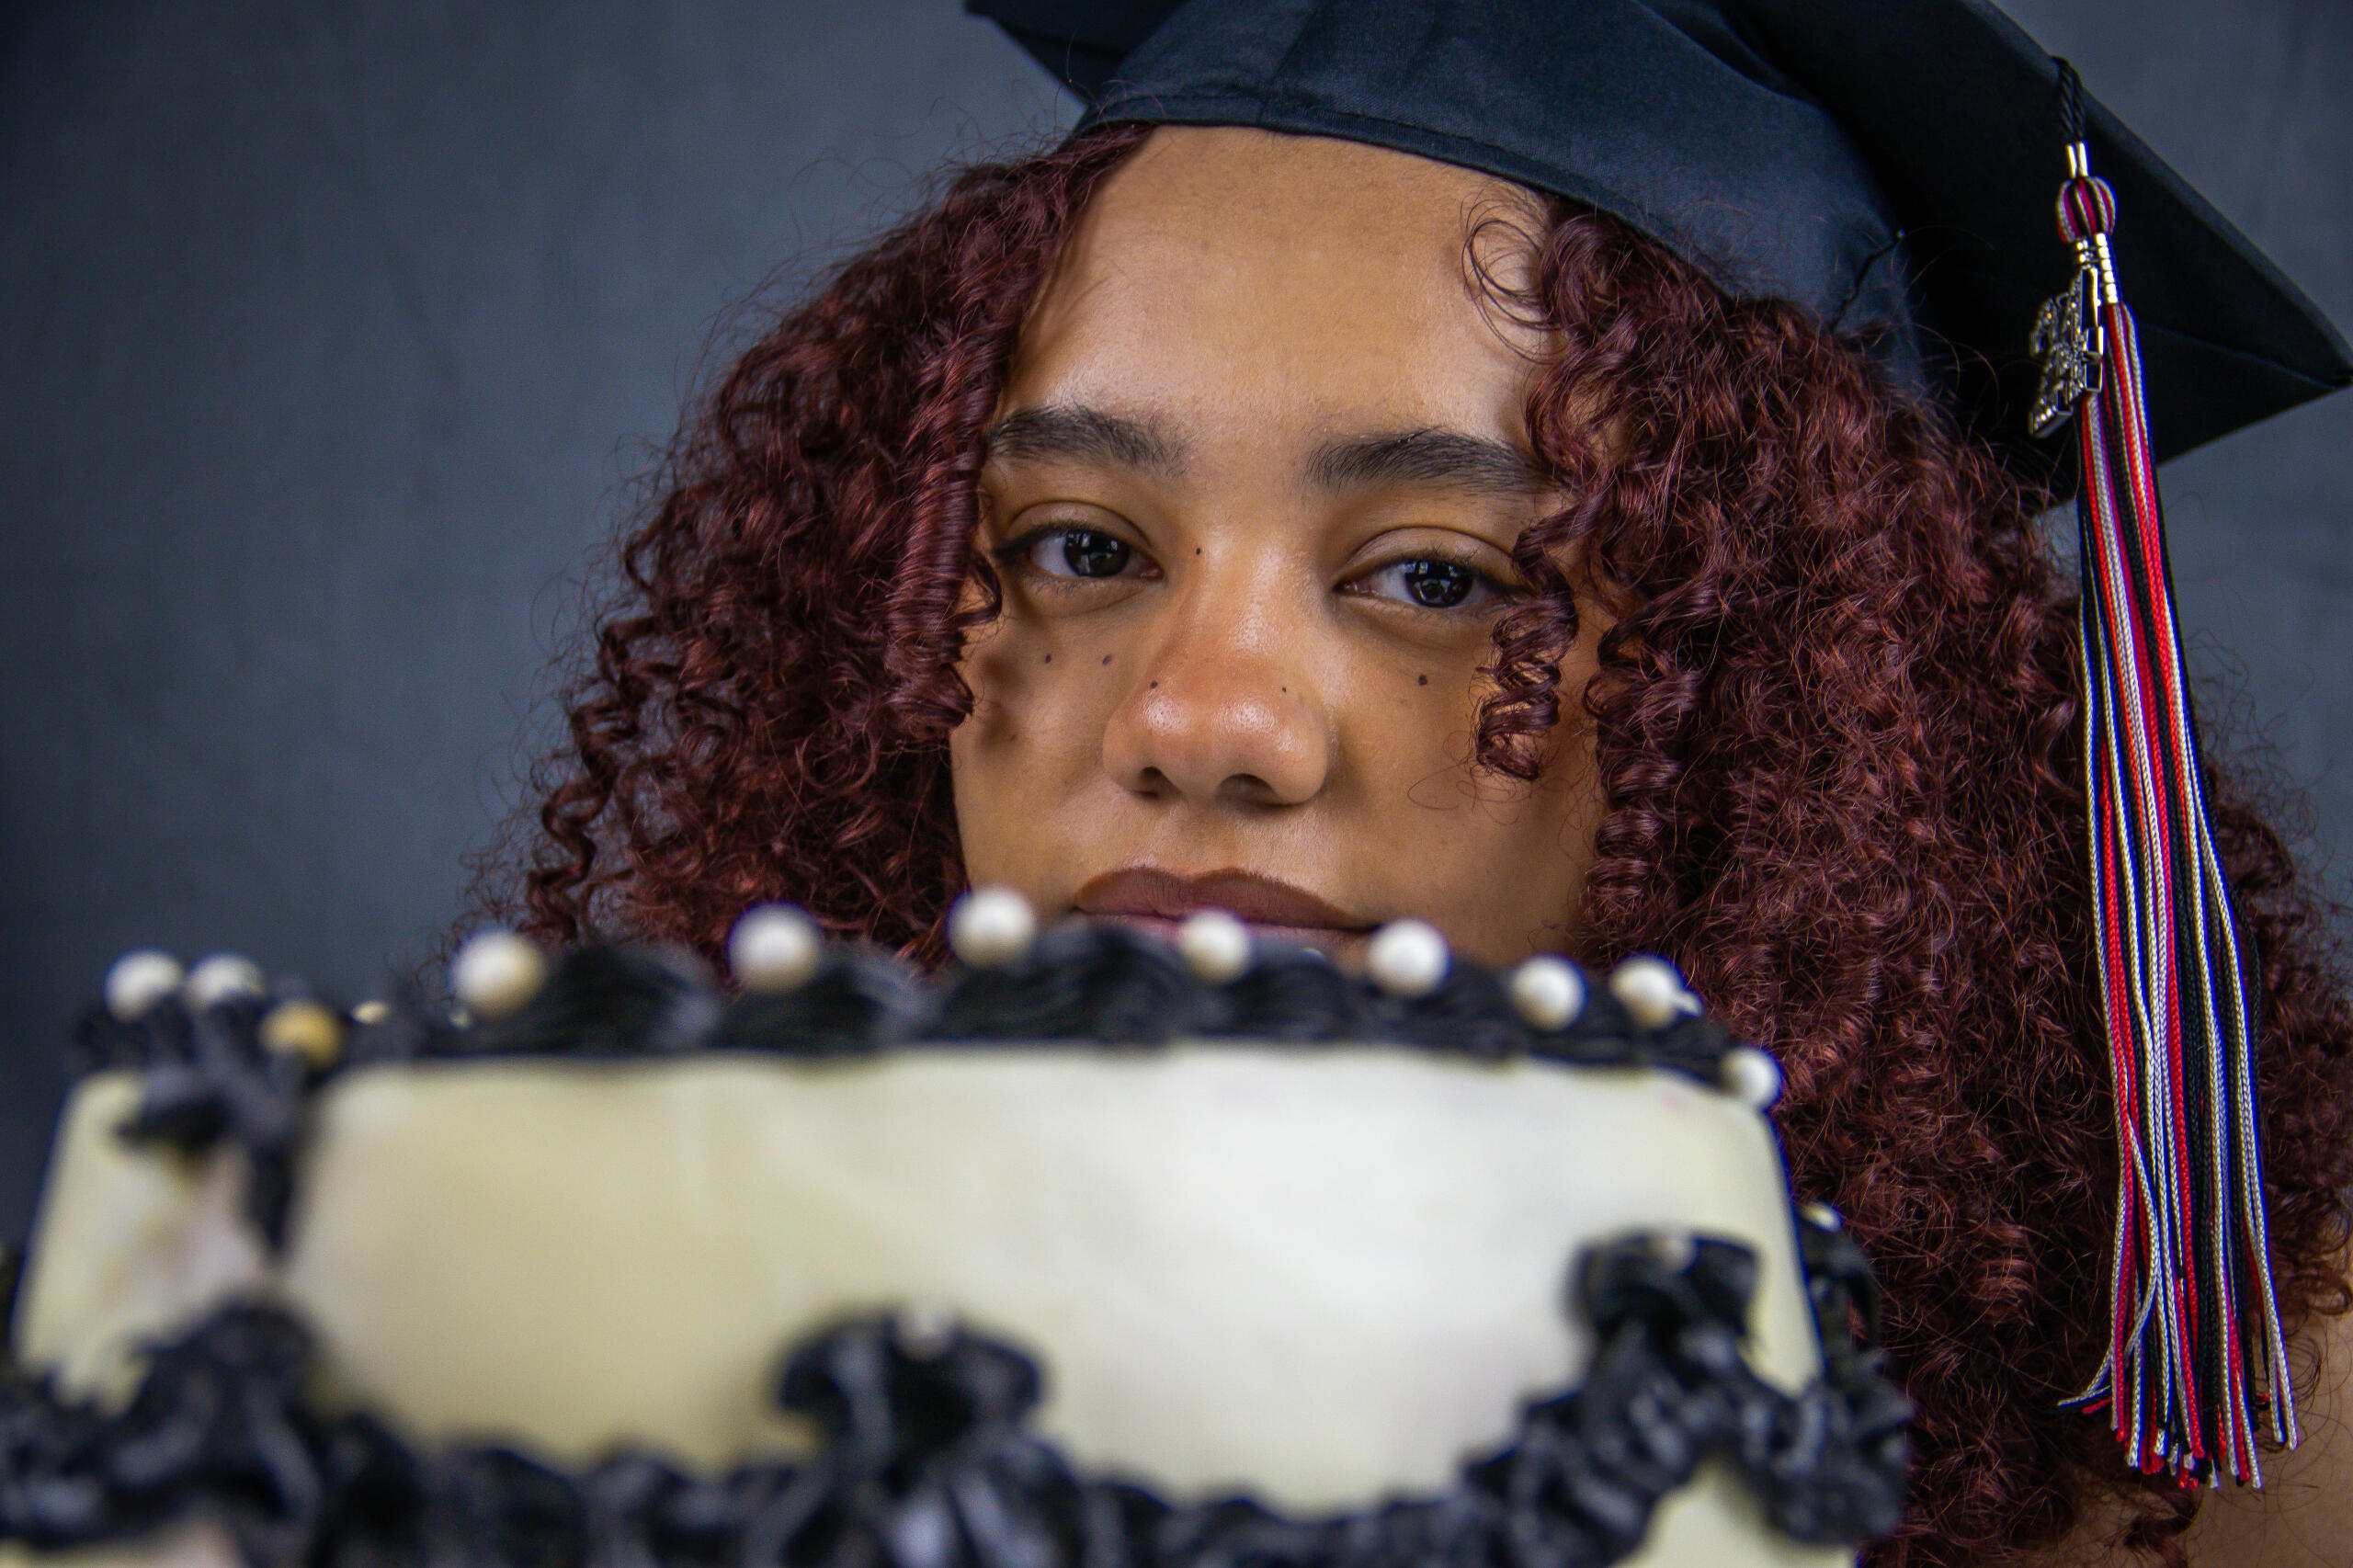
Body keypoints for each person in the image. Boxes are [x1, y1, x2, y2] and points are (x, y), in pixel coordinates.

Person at [473, 3, 2353, 1563]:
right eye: (1078, 546)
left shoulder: (2231, 1475)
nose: (1200, 719)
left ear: (1803, 689)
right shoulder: (597, 1384)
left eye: (1438, 580)